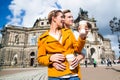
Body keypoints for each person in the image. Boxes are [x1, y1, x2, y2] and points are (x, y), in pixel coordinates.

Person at [37, 10, 88, 80]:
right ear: (54, 18)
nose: (63, 19)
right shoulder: (43, 38)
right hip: (55, 76)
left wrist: (82, 37)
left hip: (73, 74)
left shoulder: (68, 32)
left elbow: (78, 49)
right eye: (62, 17)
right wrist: (50, 58)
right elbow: (40, 58)